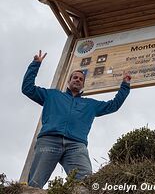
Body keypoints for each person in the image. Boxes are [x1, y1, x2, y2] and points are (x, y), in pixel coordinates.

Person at [22, 50, 131, 188]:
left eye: (81, 79)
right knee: (35, 183)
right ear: (69, 81)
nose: (78, 80)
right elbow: (27, 89)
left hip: (76, 146)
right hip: (49, 140)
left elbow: (113, 105)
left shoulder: (90, 104)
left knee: (86, 183)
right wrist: (35, 64)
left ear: (83, 85)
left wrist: (125, 86)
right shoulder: (52, 95)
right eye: (75, 77)